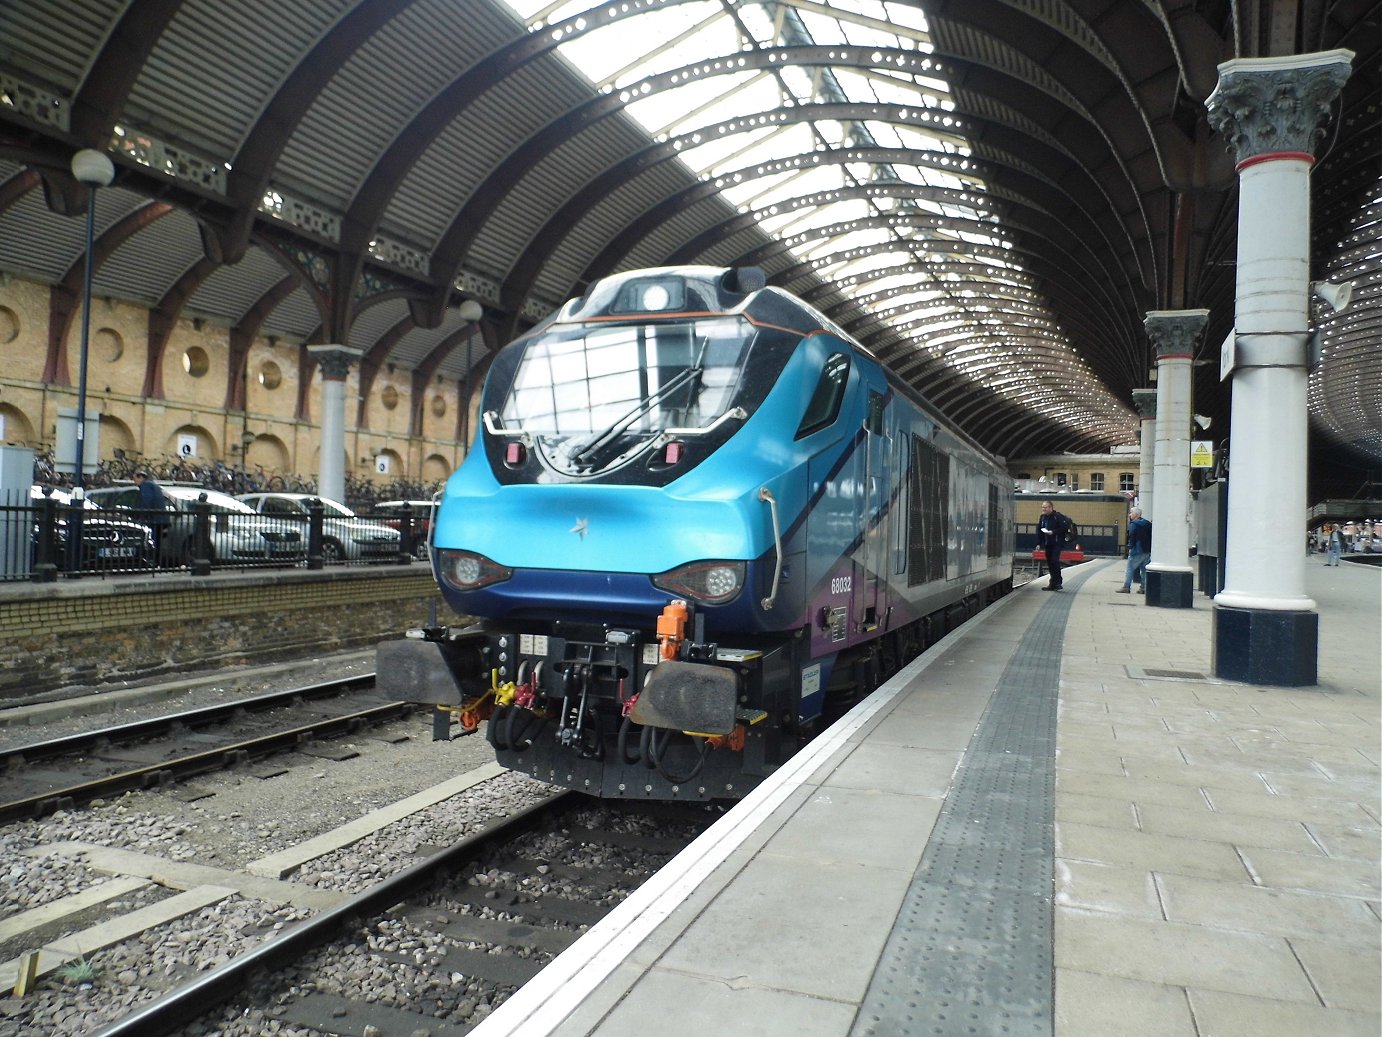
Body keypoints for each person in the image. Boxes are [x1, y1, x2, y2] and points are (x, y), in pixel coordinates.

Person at [1035, 499, 1072, 591]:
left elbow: (1064, 527)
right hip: (1048, 544)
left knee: (1054, 561)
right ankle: (1052, 583)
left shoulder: (1057, 517)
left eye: (1045, 507)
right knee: (1050, 563)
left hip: (1057, 543)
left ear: (1050, 508)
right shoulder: (1042, 518)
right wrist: (1039, 543)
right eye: (1042, 507)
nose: (1043, 509)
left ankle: (1058, 582)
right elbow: (1039, 531)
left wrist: (1053, 532)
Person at [134, 469, 170, 559]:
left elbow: (146, 501)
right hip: (160, 519)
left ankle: (151, 561)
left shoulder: (145, 486)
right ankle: (156, 561)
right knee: (157, 542)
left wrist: (139, 513)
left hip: (153, 519)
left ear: (141, 477)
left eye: (135, 479)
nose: (134, 482)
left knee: (151, 541)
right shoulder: (154, 485)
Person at [1117, 507, 1152, 593]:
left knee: (1130, 568)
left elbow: (1132, 537)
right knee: (1144, 570)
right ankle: (1143, 588)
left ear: (1136, 515)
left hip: (1137, 550)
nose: (1130, 515)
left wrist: (1130, 547)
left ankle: (1126, 587)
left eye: (1131, 513)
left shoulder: (1134, 524)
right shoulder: (1148, 524)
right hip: (1147, 550)